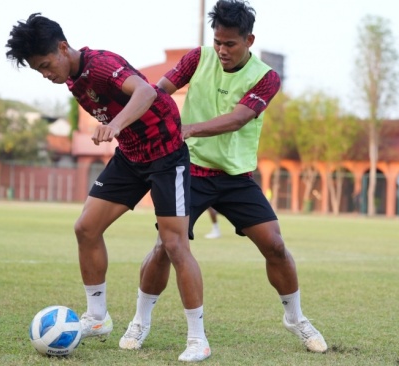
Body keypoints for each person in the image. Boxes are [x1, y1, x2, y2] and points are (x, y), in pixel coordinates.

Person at [121, 0, 327, 354]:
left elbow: (238, 118)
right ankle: (140, 322)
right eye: (217, 41)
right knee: (164, 249)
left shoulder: (266, 77)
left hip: (235, 176)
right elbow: (159, 92)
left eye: (229, 44)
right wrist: (129, 116)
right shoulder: (197, 57)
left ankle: (295, 318)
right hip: (190, 171)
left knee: (275, 246)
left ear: (249, 39)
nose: (221, 50)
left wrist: (187, 128)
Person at [5, 14, 210, 362]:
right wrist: (119, 131)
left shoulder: (100, 65)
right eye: (38, 70)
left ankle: (197, 339)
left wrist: (114, 124)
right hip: (131, 156)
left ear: (63, 47)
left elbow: (146, 91)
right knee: (86, 227)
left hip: (165, 154)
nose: (45, 74)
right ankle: (97, 318)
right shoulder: (71, 79)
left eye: (45, 65)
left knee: (174, 243)